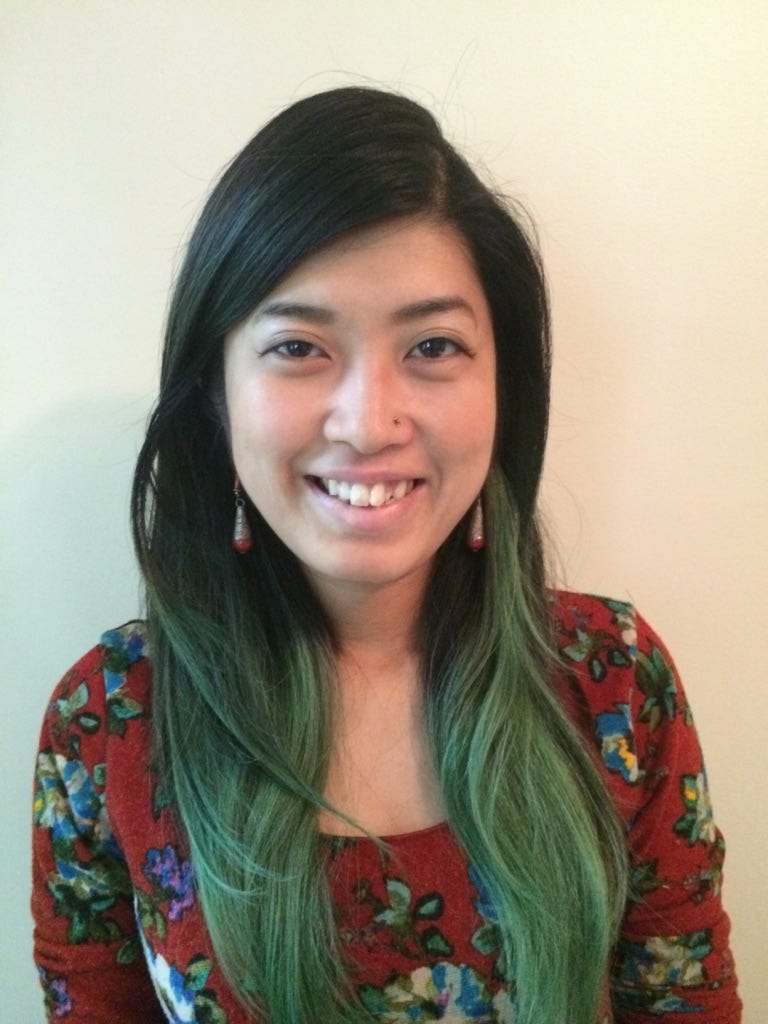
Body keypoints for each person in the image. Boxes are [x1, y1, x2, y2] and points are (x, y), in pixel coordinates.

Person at [31, 87, 741, 1024]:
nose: (368, 422)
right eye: (298, 346)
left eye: (433, 345)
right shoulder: (108, 721)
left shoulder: (614, 682)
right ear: (216, 392)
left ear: (504, 390)